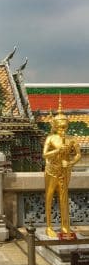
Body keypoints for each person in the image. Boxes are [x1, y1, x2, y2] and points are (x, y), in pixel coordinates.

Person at [43, 102, 81, 238]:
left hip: (65, 170)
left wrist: (70, 163)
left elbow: (78, 154)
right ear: (55, 126)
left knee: (64, 197)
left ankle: (65, 227)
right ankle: (49, 226)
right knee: (49, 196)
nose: (62, 130)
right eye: (60, 127)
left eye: (64, 127)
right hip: (52, 170)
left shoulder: (71, 139)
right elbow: (45, 154)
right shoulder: (51, 138)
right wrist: (57, 150)